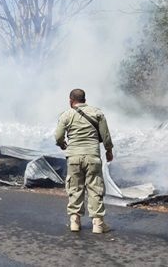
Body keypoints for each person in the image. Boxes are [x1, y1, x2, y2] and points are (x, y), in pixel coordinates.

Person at [55, 88, 114, 234]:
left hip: (74, 157)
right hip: (92, 156)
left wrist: (63, 145)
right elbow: (105, 136)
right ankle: (98, 224)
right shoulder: (97, 113)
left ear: (71, 100)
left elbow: (58, 136)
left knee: (75, 188)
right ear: (84, 99)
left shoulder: (66, 115)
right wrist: (109, 150)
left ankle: (75, 222)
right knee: (95, 188)